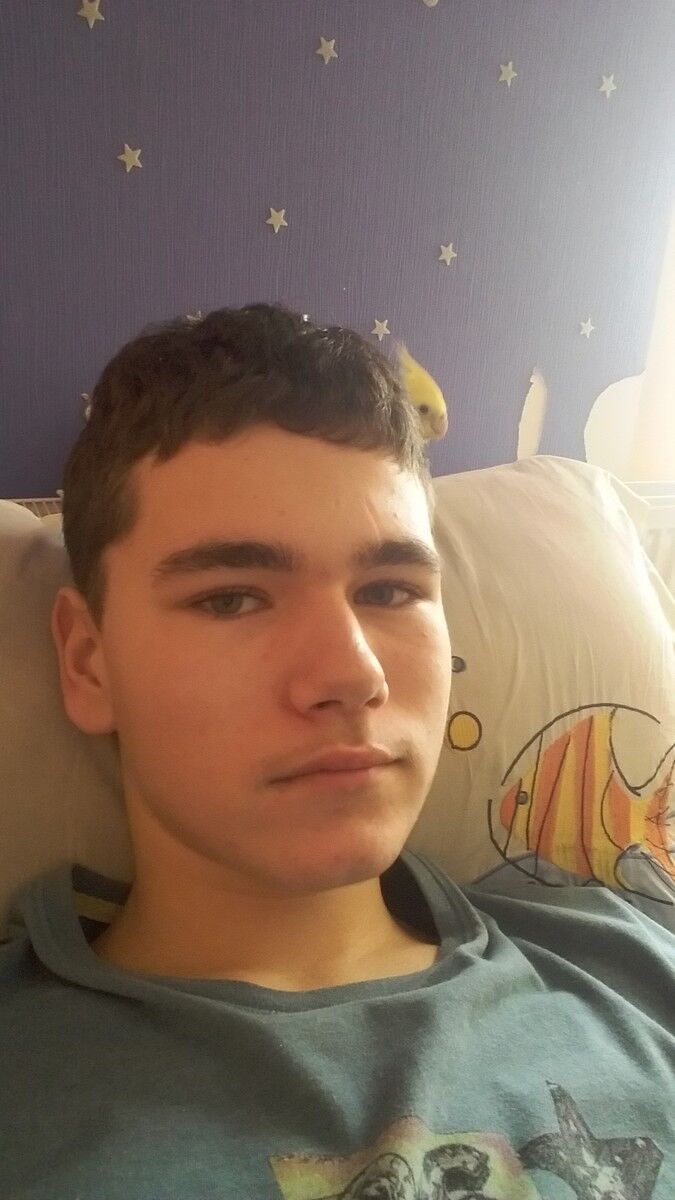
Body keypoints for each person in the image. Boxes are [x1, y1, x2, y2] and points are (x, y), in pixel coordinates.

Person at [2, 303, 674, 1197]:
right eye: (231, 598)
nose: (352, 674)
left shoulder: (633, 961)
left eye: (389, 589)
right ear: (89, 663)